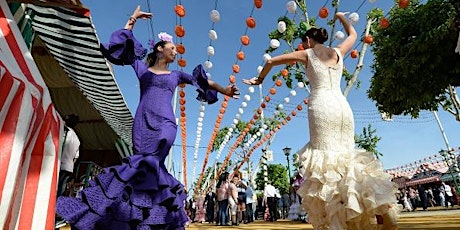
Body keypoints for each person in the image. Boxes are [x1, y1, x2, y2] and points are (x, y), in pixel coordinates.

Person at [55, 5, 239, 230]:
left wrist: (224, 90)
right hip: (142, 123)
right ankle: (134, 218)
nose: (175, 52)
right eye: (172, 48)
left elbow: (201, 81)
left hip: (166, 124)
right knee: (139, 169)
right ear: (160, 49)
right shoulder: (142, 69)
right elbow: (122, 45)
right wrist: (132, 18)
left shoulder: (176, 74)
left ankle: (154, 219)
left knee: (152, 162)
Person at [243, 12, 398, 229]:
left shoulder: (307, 53)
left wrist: (259, 80)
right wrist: (342, 16)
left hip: (322, 106)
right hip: (343, 106)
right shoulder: (337, 52)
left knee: (327, 165)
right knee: (347, 158)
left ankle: (338, 222)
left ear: (307, 40)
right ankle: (381, 208)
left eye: (302, 42)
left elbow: (271, 61)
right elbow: (353, 34)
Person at [55, 114, 80, 229]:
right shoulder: (77, 139)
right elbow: (76, 157)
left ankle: (50, 213)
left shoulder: (64, 131)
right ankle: (56, 214)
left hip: (59, 164)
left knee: (54, 190)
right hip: (69, 167)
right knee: (61, 191)